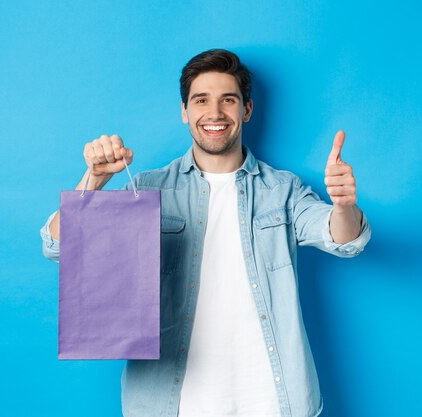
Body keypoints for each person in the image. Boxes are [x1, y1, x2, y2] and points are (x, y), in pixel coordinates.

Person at [41, 49, 371, 417]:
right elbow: (59, 246)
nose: (214, 113)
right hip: (170, 401)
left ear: (246, 110)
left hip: (273, 400)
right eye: (201, 100)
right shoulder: (148, 188)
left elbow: (345, 240)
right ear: (184, 111)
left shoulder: (284, 190)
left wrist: (343, 205)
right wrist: (94, 182)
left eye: (228, 100)